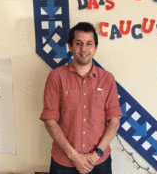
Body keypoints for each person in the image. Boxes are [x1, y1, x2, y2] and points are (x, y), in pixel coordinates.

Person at [40, 22, 123, 174]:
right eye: (78, 43)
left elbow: (114, 122)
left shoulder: (107, 79)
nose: (83, 49)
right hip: (63, 162)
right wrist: (75, 156)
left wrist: (96, 154)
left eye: (89, 43)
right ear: (70, 46)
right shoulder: (56, 76)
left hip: (99, 162)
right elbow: (50, 121)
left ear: (95, 48)